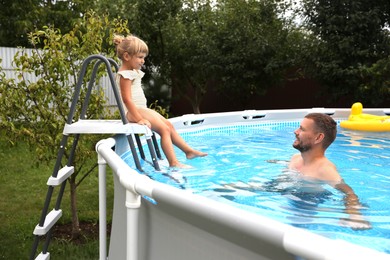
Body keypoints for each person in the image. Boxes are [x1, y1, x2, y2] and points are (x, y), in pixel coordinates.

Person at [113, 34, 207, 168]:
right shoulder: (125, 75)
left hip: (140, 109)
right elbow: (127, 99)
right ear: (127, 56)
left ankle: (188, 151)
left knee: (169, 125)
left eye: (143, 57)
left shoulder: (131, 71)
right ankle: (173, 163)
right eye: (140, 57)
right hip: (134, 112)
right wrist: (139, 119)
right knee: (164, 130)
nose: (143, 61)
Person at [289, 113, 371, 230]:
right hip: (293, 197)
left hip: (308, 205)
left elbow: (349, 192)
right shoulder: (295, 159)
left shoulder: (325, 169)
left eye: (302, 129)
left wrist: (354, 215)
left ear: (318, 138)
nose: (295, 131)